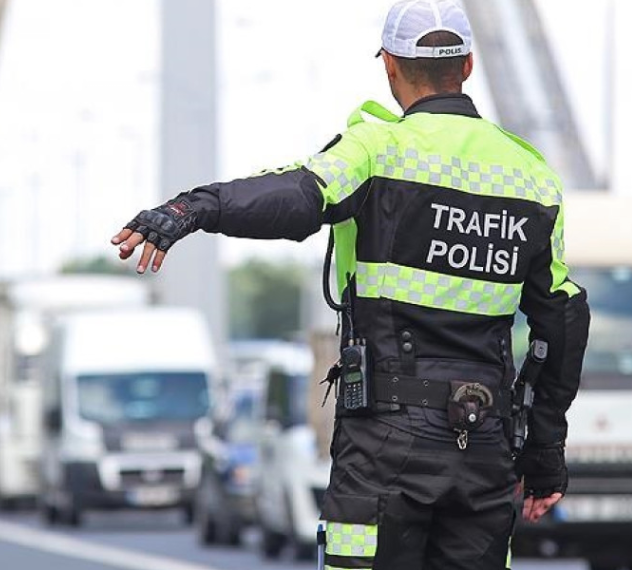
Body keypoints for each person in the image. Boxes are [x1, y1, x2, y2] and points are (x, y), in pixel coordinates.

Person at [109, 2, 590, 568]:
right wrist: (544, 453)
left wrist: (194, 208)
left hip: (387, 442)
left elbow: (294, 197)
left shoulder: (377, 149)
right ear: (468, 66)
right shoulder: (532, 176)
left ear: (390, 65)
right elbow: (561, 320)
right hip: (483, 443)